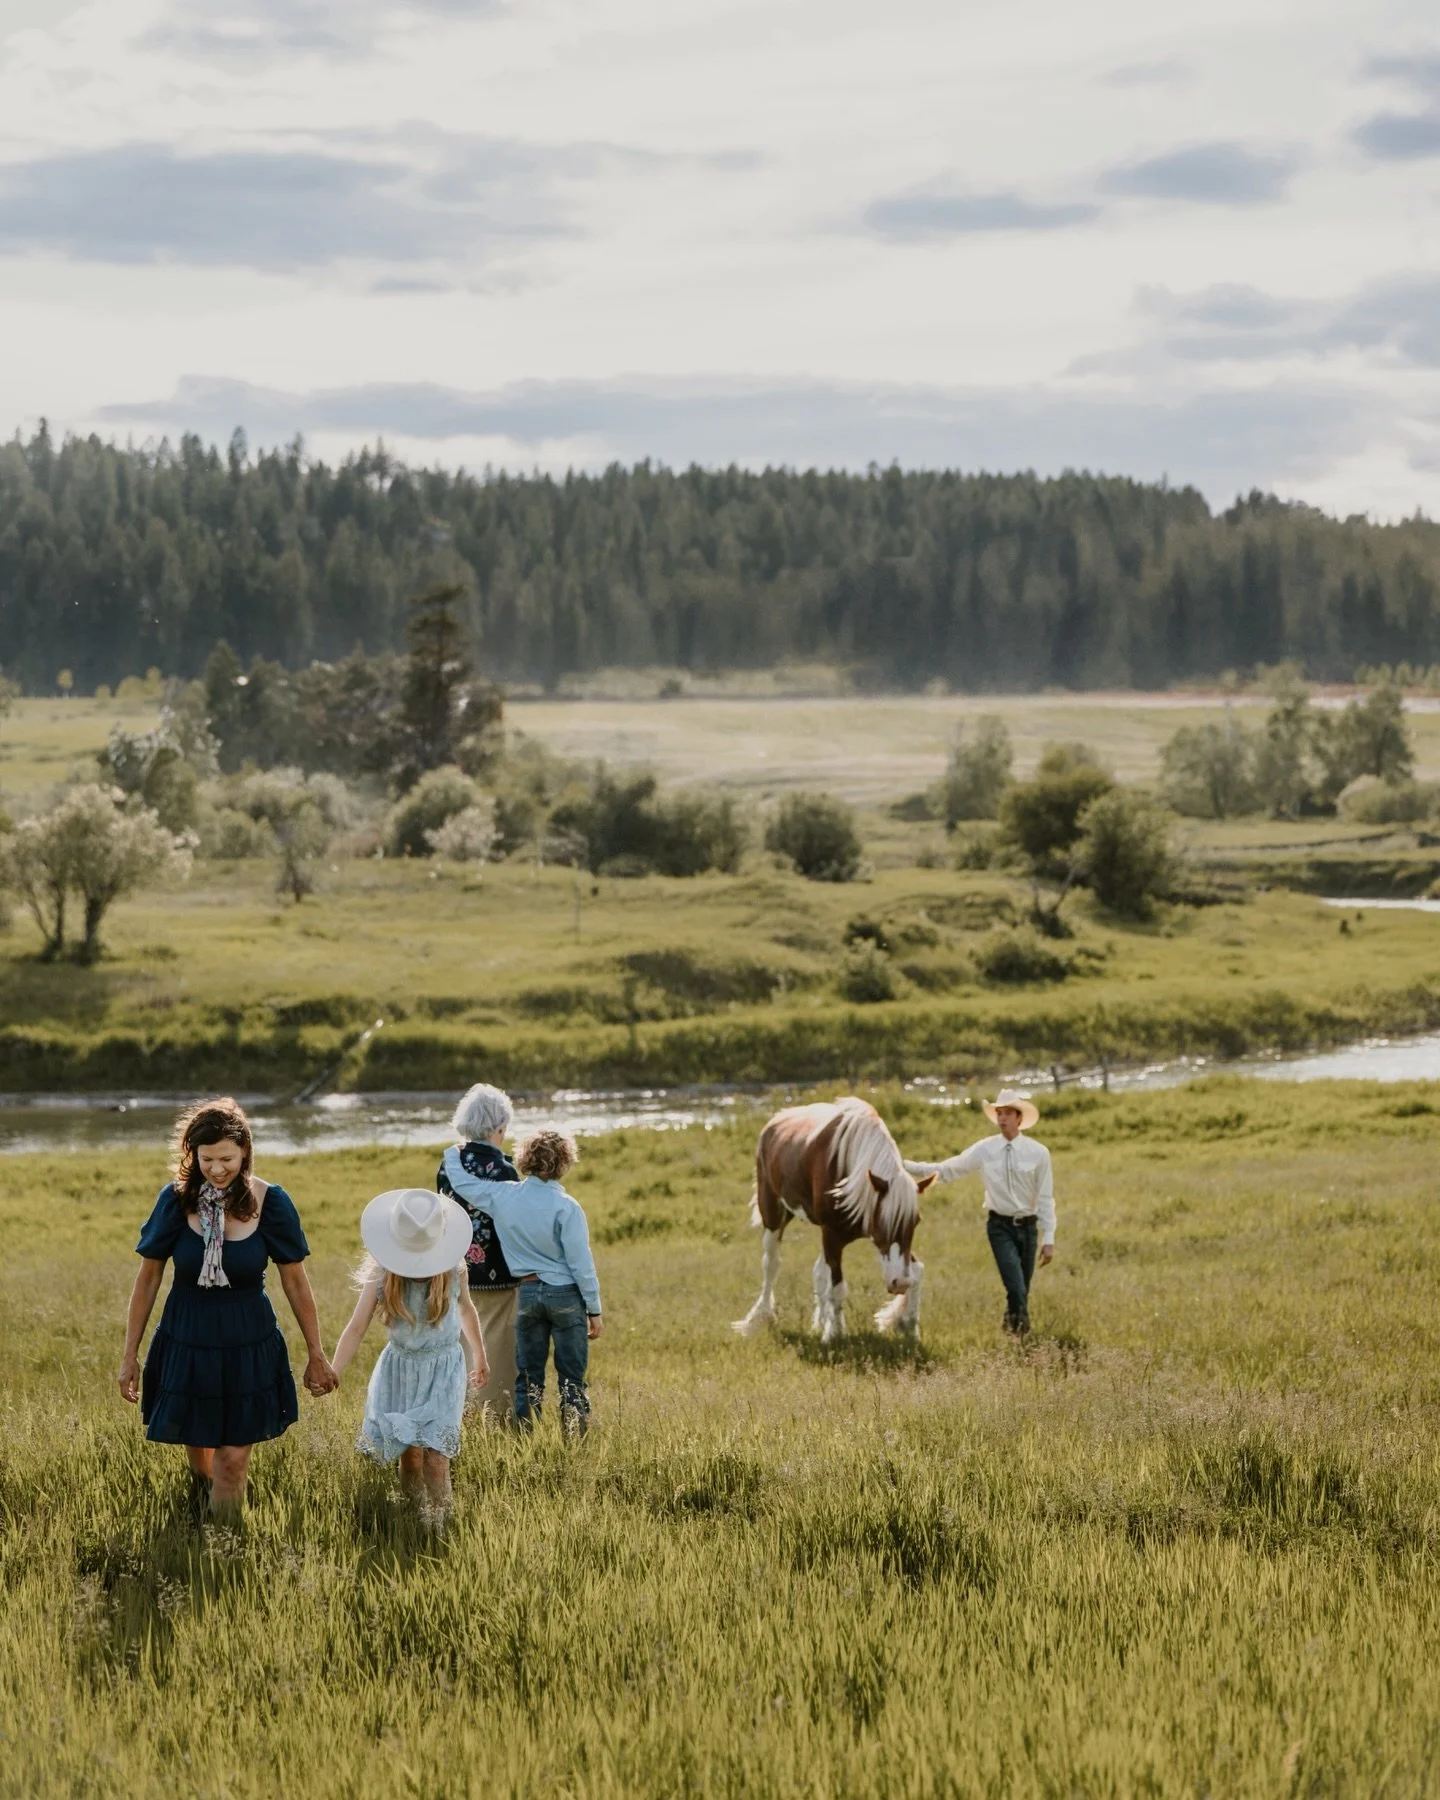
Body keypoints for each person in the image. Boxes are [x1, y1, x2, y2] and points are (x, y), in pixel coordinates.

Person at [117, 1097, 337, 1515]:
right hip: (187, 1338)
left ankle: (224, 1554)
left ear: (245, 1153)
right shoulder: (175, 1200)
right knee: (199, 1448)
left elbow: (295, 1281)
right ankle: (200, 1508)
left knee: (231, 1461)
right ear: (192, 1155)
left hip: (247, 1341)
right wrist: (129, 1355)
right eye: (207, 1159)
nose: (217, 1170)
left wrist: (316, 1352)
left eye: (227, 1159)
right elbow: (148, 1279)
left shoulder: (271, 1202)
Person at [330, 1188, 488, 1528]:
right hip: (401, 1370)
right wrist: (333, 1370)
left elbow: (467, 1310)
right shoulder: (383, 1273)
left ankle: (439, 1524)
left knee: (436, 1457)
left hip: (444, 1370)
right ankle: (413, 1517)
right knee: (410, 1455)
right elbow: (356, 1327)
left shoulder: (453, 1270)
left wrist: (480, 1354)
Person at [450, 1129, 602, 1435]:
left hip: (528, 1294)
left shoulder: (503, 1195)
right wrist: (594, 1309)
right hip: (566, 1296)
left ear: (523, 1159)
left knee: (529, 1379)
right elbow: (580, 1263)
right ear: (565, 1162)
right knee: (572, 1378)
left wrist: (451, 1155)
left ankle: (525, 1441)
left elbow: (463, 1184)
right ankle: (576, 1443)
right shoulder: (567, 1206)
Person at [904, 1087, 1056, 1337]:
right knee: (1015, 1285)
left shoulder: (1039, 1153)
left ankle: (1010, 1326)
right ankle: (1023, 1339)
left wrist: (1048, 1238)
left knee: (1021, 1289)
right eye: (999, 1112)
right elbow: (948, 1169)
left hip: (1028, 1228)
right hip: (1000, 1227)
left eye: (1008, 1113)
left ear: (1019, 1118)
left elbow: (1046, 1197)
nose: (1002, 1117)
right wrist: (905, 1165)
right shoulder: (984, 1149)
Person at [436, 1082, 522, 1426]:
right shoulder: (505, 1170)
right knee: (499, 1350)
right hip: (499, 1275)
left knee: (463, 1346)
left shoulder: (447, 1165)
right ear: (498, 1127)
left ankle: (462, 1416)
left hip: (455, 1269)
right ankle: (497, 1420)